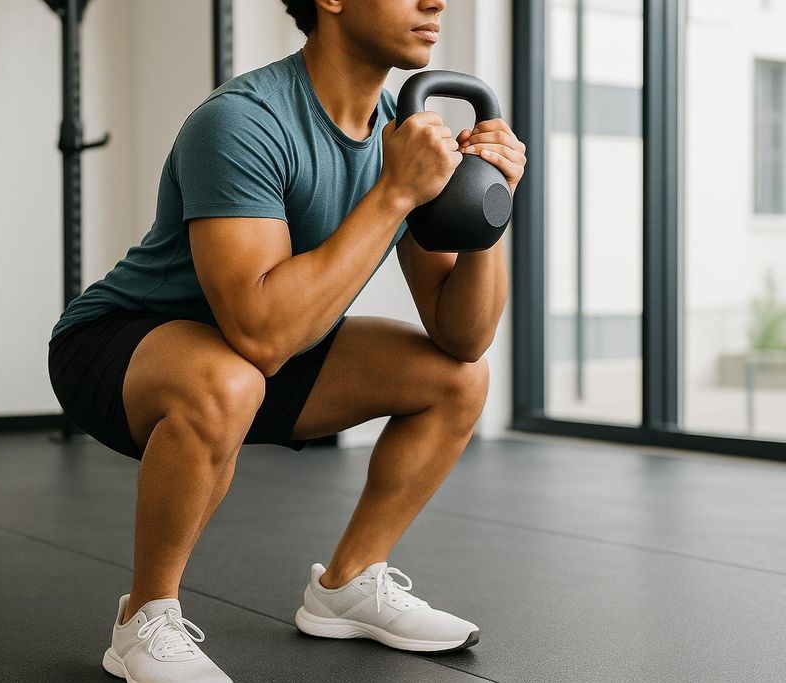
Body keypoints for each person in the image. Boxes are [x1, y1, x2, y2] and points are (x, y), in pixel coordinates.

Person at [47, 0, 525, 679]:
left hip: (268, 353)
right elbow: (260, 333)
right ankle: (144, 619)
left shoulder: (404, 136)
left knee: (458, 380)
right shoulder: (242, 121)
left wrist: (488, 203)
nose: (435, 0)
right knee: (230, 375)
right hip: (122, 347)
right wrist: (393, 194)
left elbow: (464, 334)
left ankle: (349, 584)